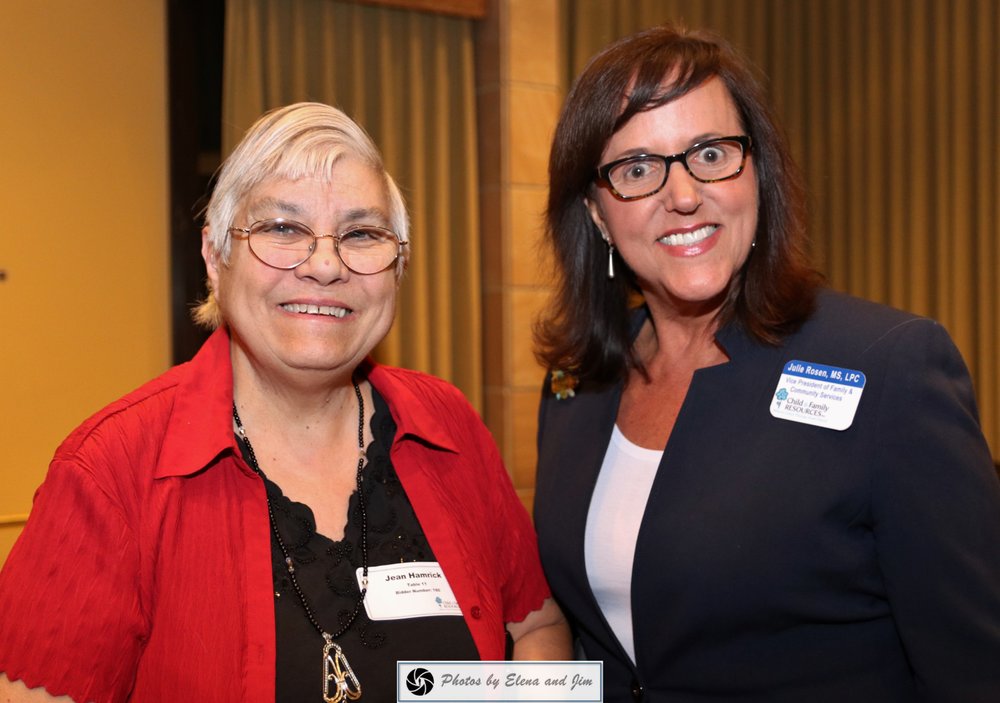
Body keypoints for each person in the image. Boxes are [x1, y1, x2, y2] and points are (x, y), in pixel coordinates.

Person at [0, 102, 570, 703]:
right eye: (282, 228)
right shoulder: (112, 471)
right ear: (214, 258)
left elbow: (537, 626)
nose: (326, 265)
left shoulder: (447, 424)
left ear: (397, 265)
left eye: (361, 234)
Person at [532, 24, 1000, 702]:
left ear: (759, 173)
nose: (683, 194)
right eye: (637, 169)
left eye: (712, 153)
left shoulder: (892, 368)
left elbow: (976, 672)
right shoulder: (577, 384)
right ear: (597, 213)